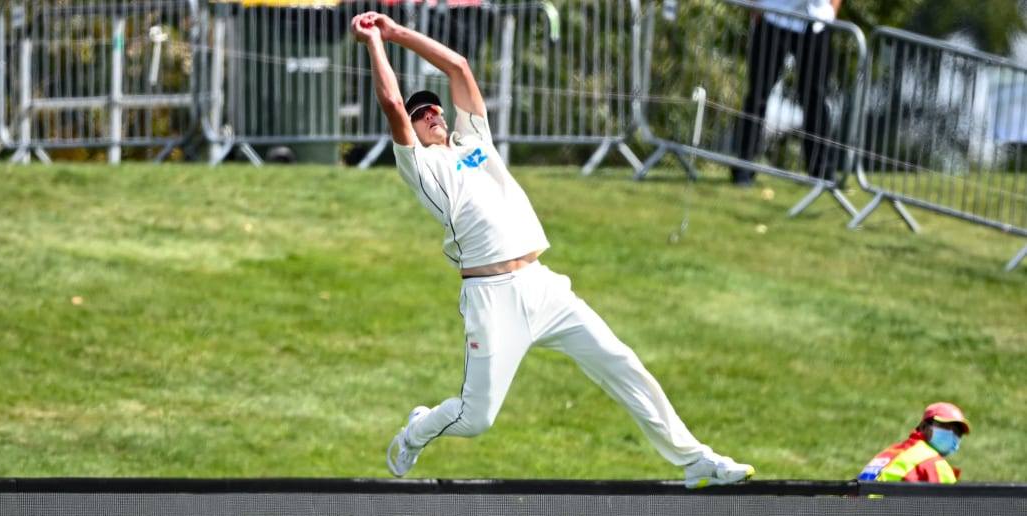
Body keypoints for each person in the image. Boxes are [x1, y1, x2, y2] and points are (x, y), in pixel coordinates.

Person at [349, 11, 755, 487]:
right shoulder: (420, 167)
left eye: (434, 108)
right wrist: (376, 43)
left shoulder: (474, 140)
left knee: (620, 360)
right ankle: (419, 430)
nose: (431, 114)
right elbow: (393, 103)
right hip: (492, 297)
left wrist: (397, 32)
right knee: (476, 419)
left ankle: (695, 459)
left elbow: (458, 66)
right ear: (413, 132)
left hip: (543, 287)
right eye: (423, 115)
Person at [730, 0, 844, 186]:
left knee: (816, 98)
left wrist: (833, 9)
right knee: (758, 93)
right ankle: (743, 168)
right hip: (774, 16)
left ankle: (821, 172)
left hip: (817, 22)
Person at [858, 402, 971, 483]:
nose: (952, 435)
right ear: (923, 426)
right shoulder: (934, 464)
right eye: (946, 427)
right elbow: (947, 511)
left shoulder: (892, 452)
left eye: (957, 433)